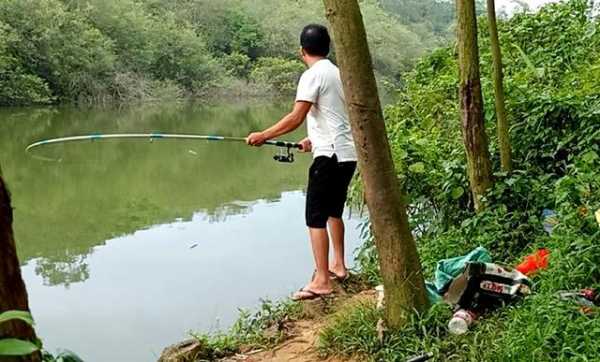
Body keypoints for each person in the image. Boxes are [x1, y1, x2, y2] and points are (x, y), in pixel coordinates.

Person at [246, 24, 357, 301]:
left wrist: (263, 135)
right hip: (346, 154)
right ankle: (338, 266)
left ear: (301, 51)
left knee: (315, 217)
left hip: (329, 156)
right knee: (334, 211)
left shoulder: (312, 75)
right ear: (328, 48)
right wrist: (312, 139)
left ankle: (321, 279)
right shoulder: (337, 74)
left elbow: (296, 116)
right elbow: (333, 116)